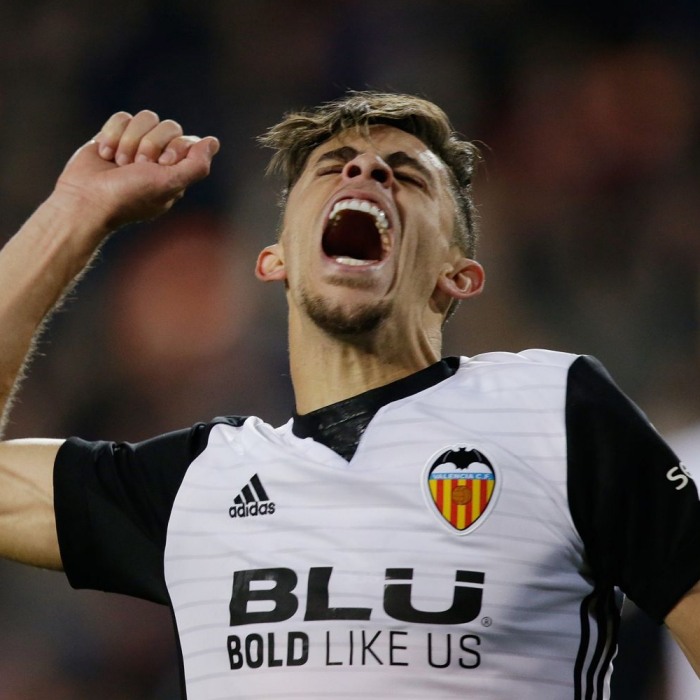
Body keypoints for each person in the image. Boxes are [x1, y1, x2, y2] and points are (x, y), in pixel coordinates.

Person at [0, 92, 699, 700]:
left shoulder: (553, 412)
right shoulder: (201, 486)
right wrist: (75, 213)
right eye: (334, 166)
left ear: (458, 275)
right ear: (274, 260)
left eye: (408, 176)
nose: (366, 171)